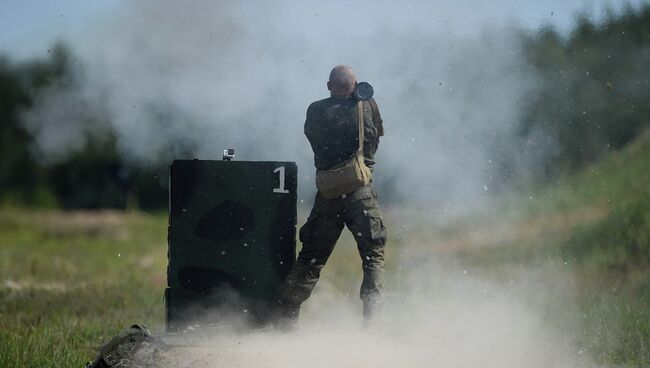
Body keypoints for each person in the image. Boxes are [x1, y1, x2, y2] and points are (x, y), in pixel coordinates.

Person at [276, 65, 387, 329]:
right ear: (356, 85)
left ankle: (286, 319)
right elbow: (373, 142)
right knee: (373, 257)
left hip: (328, 193)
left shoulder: (315, 110)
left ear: (329, 86)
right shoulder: (366, 106)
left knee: (311, 257)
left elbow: (314, 139)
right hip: (361, 193)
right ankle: (373, 324)